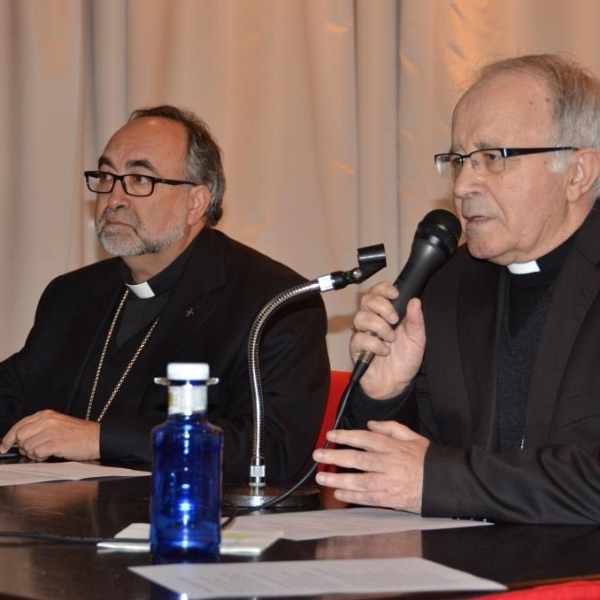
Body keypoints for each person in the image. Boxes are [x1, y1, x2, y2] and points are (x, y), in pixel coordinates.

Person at [313, 53, 600, 524]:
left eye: (493, 158)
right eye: (458, 160)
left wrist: (440, 479)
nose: (464, 184)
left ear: (577, 173)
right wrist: (387, 394)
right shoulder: (448, 287)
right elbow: (366, 490)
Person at [0, 105, 330, 482]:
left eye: (140, 179)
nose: (114, 198)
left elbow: (270, 450)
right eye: (107, 176)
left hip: (189, 524)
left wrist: (101, 439)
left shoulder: (274, 302)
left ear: (196, 203)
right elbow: (12, 394)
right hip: (57, 522)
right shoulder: (71, 295)